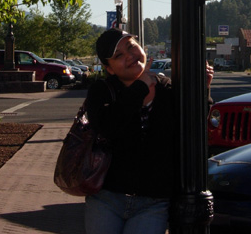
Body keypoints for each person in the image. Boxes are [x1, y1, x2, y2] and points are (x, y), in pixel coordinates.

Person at [84, 27, 213, 234]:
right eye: (119, 56)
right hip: (106, 198)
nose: (130, 56)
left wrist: (204, 89)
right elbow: (109, 127)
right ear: (109, 68)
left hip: (153, 202)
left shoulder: (166, 88)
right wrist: (141, 87)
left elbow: (191, 126)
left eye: (131, 47)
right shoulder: (102, 91)